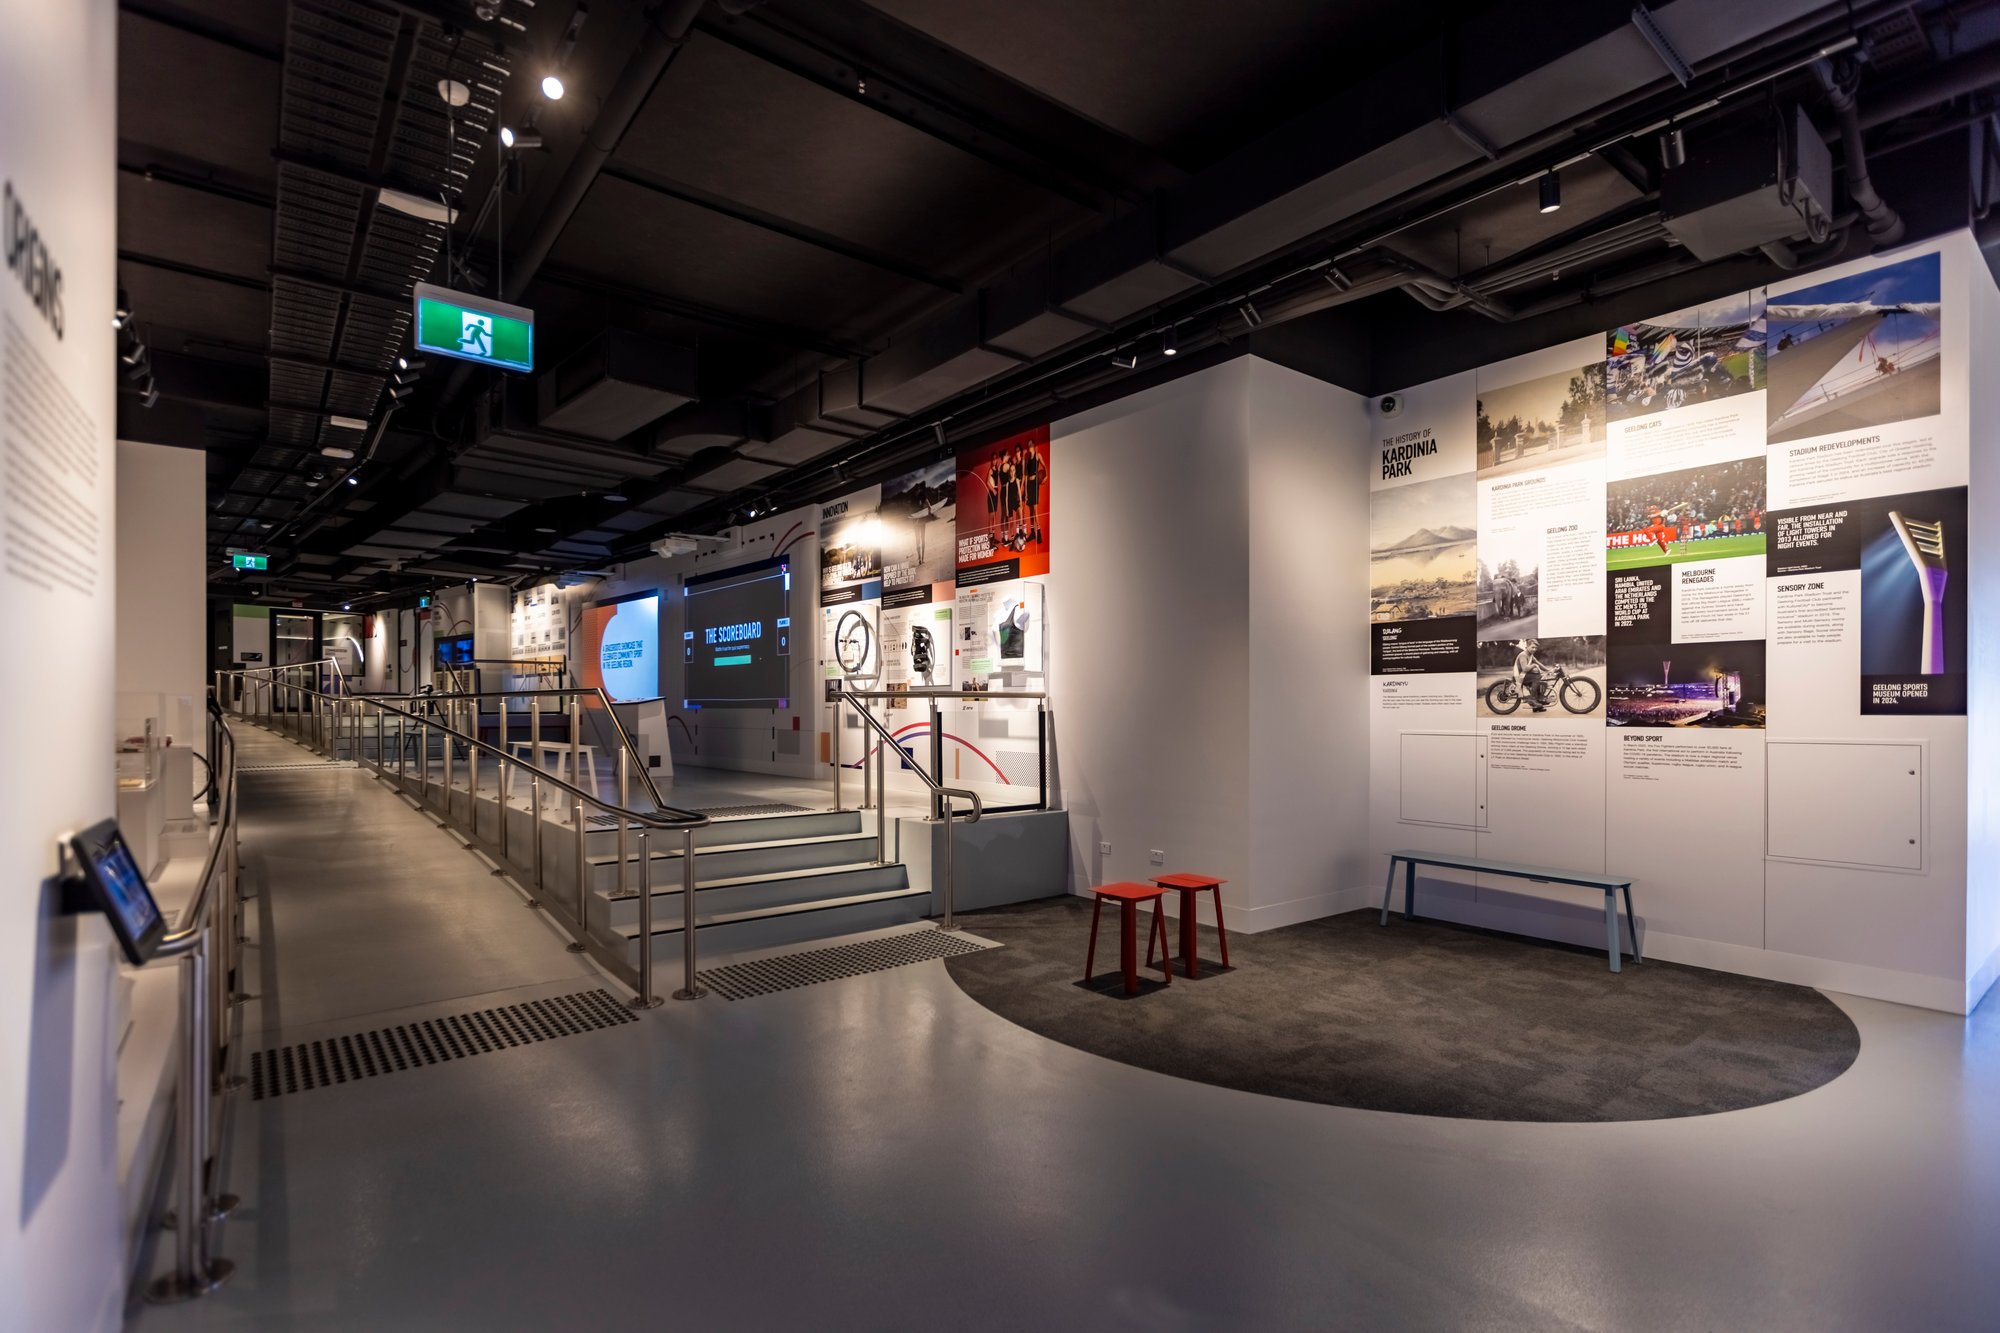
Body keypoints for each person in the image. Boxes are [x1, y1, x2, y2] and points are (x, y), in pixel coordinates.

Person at [1512, 638, 1548, 712]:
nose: (1534, 649)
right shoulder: (1523, 655)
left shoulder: (1530, 655)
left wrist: (1547, 670)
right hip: (1519, 676)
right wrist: (1534, 665)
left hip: (1524, 675)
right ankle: (1532, 699)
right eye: (1532, 647)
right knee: (1537, 677)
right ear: (1527, 647)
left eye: (1536, 648)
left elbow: (1538, 663)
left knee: (1541, 682)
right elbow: (1525, 668)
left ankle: (1537, 705)